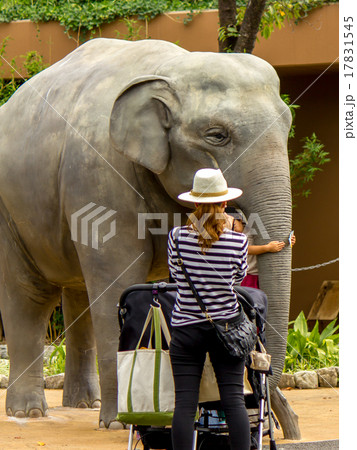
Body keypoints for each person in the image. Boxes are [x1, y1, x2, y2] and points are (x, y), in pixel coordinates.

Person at [167, 168, 251, 450]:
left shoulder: (176, 237)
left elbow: (176, 278)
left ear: (195, 203)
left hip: (185, 328)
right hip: (226, 327)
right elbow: (237, 279)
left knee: (185, 404)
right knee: (233, 400)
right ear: (224, 203)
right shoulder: (238, 241)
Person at [225, 208, 296, 288]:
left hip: (263, 273)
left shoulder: (252, 229)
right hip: (248, 275)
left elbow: (273, 238)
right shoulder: (233, 237)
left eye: (234, 226)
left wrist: (288, 241)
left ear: (240, 219)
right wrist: (267, 248)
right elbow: (246, 249)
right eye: (229, 229)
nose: (233, 230)